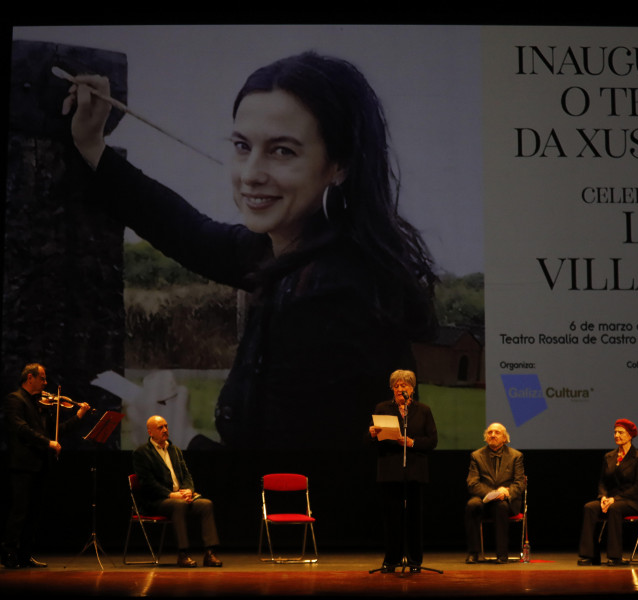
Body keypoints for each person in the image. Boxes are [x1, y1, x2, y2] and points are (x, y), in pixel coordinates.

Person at [63, 52, 437, 450]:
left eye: (282, 151)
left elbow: (289, 486)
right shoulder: (297, 253)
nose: (251, 174)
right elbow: (190, 233)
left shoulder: (330, 297)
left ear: (338, 165)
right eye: (243, 146)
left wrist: (177, 441)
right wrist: (92, 146)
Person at [1, 363, 91, 568]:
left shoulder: (40, 404)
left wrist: (78, 417)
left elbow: (55, 433)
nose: (45, 382)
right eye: (42, 378)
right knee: (19, 512)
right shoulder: (15, 400)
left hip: (41, 465)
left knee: (34, 513)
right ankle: (8, 555)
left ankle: (25, 555)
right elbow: (21, 429)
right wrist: (47, 443)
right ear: (29, 378)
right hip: (23, 466)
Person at [368, 369, 437, 572]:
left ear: (412, 389)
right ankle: (391, 560)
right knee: (392, 519)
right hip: (390, 472)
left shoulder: (423, 410)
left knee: (414, 519)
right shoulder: (382, 408)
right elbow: (369, 441)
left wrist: (411, 442)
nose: (400, 389)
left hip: (415, 472)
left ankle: (415, 561)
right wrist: (372, 434)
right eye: (396, 386)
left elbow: (432, 441)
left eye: (404, 385)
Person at [132, 415, 223, 567]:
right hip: (156, 501)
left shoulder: (174, 450)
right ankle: (183, 554)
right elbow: (148, 483)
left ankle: (210, 554)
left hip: (180, 496)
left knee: (206, 504)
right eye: (160, 427)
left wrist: (188, 490)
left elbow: (187, 475)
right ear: (150, 432)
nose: (165, 430)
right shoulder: (142, 453)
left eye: (166, 426)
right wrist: (171, 494)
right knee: (178, 505)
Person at [577, 419, 638, 567]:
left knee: (614, 509)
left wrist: (615, 499)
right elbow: (602, 481)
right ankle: (589, 555)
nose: (616, 435)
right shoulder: (609, 456)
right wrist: (603, 497)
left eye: (620, 432)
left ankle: (615, 557)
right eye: (615, 432)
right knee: (589, 507)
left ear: (630, 435)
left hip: (632, 501)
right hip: (610, 499)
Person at [464, 422, 526, 564]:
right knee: (472, 505)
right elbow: (472, 483)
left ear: (505, 438)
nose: (492, 435)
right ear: (486, 437)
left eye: (497, 433)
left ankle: (502, 554)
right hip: (484, 499)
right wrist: (494, 493)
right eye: (490, 432)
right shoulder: (476, 456)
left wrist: (506, 494)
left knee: (501, 506)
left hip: (506, 501)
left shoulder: (516, 456)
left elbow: (519, 483)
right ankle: (473, 553)